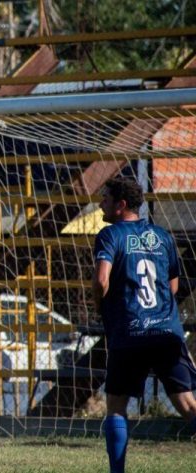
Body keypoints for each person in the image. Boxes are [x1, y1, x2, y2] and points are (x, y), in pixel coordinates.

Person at [93, 177, 196, 473]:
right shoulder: (163, 236)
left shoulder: (110, 235)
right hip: (166, 332)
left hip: (130, 332)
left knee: (116, 406)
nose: (101, 203)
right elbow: (173, 287)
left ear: (121, 205)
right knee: (188, 405)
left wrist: (98, 302)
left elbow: (101, 280)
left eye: (106, 198)